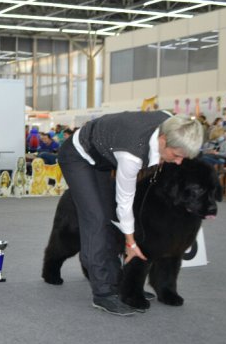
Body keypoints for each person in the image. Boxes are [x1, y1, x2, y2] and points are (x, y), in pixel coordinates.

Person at [57, 111, 203, 316]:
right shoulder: (132, 154)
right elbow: (125, 201)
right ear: (163, 140)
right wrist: (131, 243)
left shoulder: (172, 122)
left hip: (102, 156)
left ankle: (118, 283)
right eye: (176, 155)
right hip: (77, 156)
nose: (179, 162)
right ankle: (103, 293)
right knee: (96, 220)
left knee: (109, 217)